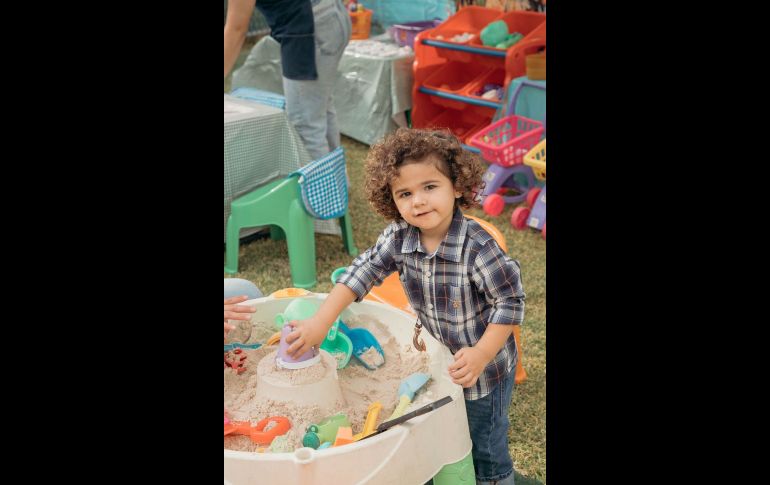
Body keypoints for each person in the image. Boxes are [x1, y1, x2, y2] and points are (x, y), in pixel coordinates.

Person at [284, 128, 526, 485]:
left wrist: (481, 353)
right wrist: (321, 320)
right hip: (441, 358)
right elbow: (362, 271)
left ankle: (496, 478)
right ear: (391, 200)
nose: (418, 201)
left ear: (457, 186)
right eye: (405, 193)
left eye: (430, 187)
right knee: (447, 427)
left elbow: (509, 300)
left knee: (485, 446)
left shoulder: (478, 247)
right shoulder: (399, 235)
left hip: (485, 369)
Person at [224, 0, 352, 160]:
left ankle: (317, 184)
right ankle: (337, 182)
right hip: (332, 14)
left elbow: (237, 28)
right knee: (321, 109)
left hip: (310, 29)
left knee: (306, 127)